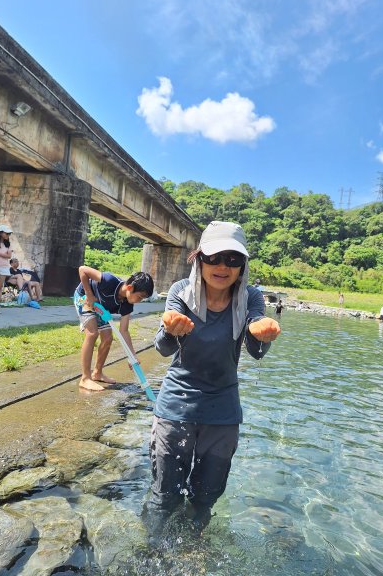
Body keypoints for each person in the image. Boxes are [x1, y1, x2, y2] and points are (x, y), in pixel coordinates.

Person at [147, 221, 281, 534]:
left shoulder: (250, 297)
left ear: (242, 265)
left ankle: (193, 548)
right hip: (176, 407)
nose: (222, 266)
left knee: (205, 497)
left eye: (233, 259)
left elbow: (256, 351)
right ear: (200, 259)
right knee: (164, 495)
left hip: (222, 412)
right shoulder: (181, 291)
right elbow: (164, 349)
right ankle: (150, 548)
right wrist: (170, 327)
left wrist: (263, 334)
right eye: (214, 257)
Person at [74, 266, 154, 392]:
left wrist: (132, 355)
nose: (140, 301)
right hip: (84, 298)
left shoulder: (127, 304)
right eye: (140, 297)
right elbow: (82, 270)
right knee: (92, 333)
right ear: (130, 288)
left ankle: (97, 373)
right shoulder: (109, 280)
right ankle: (85, 378)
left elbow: (124, 330)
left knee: (107, 338)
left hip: (100, 308)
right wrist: (89, 294)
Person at [0, 225, 14, 314]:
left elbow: (9, 256)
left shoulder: (8, 244)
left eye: (9, 233)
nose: (8, 235)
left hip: (3, 268)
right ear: (0, 233)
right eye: (6, 233)